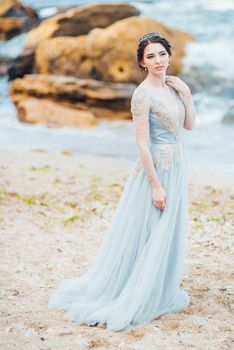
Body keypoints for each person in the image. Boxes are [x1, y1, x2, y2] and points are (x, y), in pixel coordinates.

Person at [48, 31, 196, 331]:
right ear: (142, 63)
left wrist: (187, 95)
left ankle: (159, 286)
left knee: (169, 227)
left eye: (161, 54)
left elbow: (188, 126)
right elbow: (142, 144)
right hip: (156, 167)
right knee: (151, 227)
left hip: (178, 163)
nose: (157, 61)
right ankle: (136, 290)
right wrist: (155, 184)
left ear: (169, 55)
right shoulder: (142, 95)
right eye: (150, 56)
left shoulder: (174, 87)